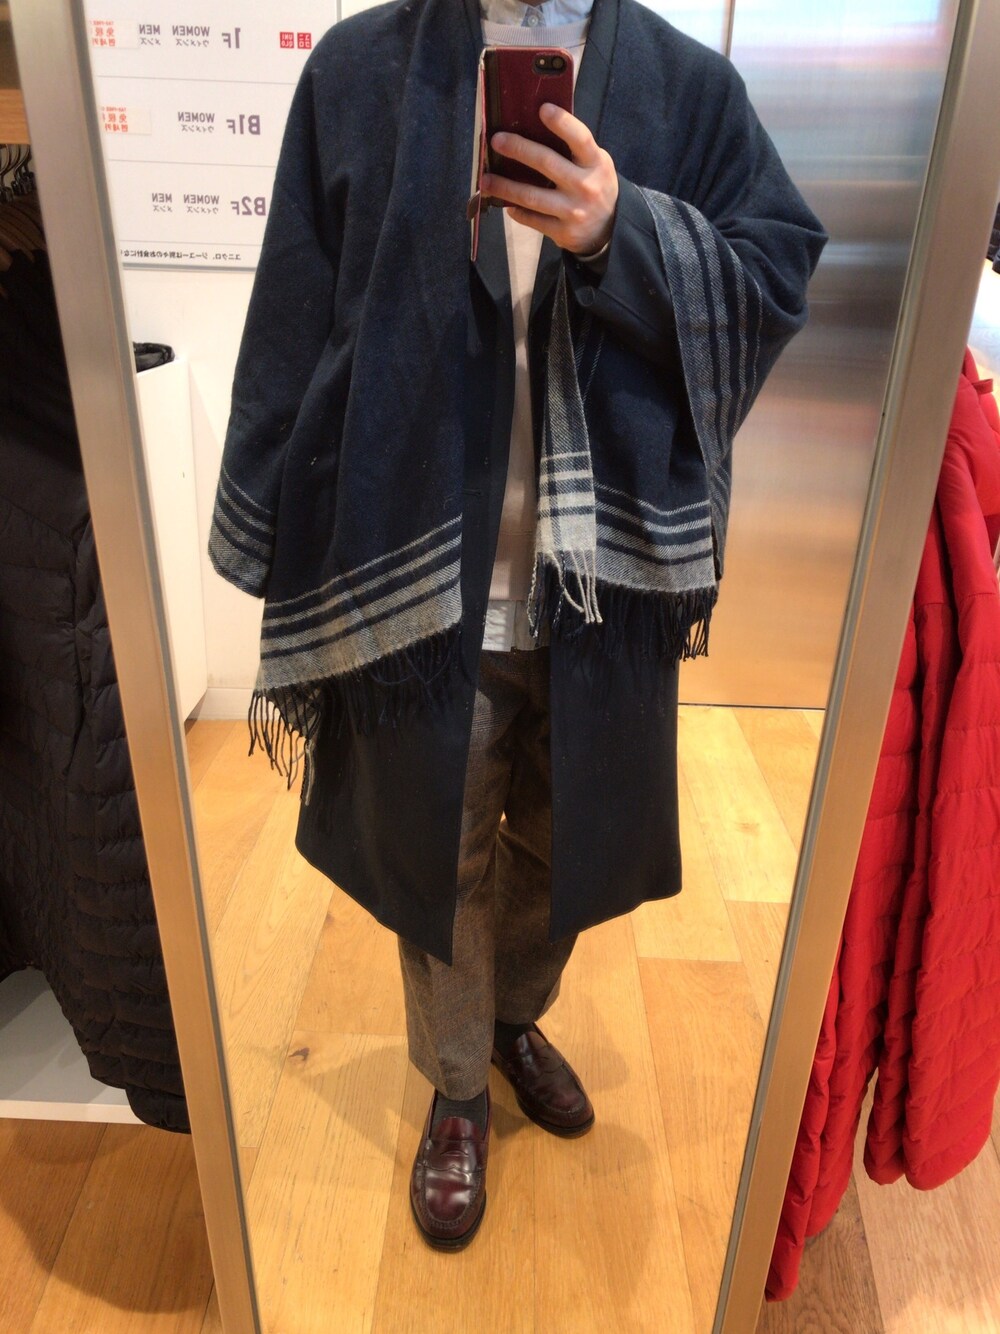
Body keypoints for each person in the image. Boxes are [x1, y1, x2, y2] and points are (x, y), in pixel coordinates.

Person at [208, 0, 826, 1251]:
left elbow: (773, 273)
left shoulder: (686, 86)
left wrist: (620, 231)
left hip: (604, 579)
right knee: (435, 847)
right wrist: (262, 527)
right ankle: (455, 1088)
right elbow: (292, 306)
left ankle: (505, 1016)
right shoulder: (360, 72)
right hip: (417, 562)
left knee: (566, 838)